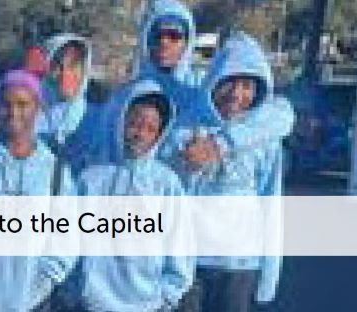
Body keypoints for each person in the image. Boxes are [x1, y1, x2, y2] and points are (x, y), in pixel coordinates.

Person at [165, 32, 287, 312]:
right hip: (190, 262)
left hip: (240, 266)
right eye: (229, 83)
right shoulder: (185, 130)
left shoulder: (265, 139)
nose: (236, 94)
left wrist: (269, 271)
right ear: (213, 82)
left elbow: (272, 205)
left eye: (246, 85)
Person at [0, 70, 77, 311]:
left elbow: (66, 236)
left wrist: (42, 285)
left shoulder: (55, 171)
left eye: (23, 104)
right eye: (6, 104)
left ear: (38, 108)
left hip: (33, 302)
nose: (14, 113)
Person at [134, 0, 294, 173]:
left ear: (188, 40)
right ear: (145, 38)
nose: (164, 43)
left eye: (174, 35)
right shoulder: (129, 96)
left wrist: (220, 144)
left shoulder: (202, 86)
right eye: (157, 35)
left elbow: (281, 114)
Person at [76, 79, 193, 312]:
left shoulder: (166, 184)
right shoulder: (91, 179)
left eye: (151, 129)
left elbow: (179, 247)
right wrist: (76, 289)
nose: (141, 134)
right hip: (91, 303)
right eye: (135, 124)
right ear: (119, 120)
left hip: (146, 304)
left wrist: (167, 296)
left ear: (160, 134)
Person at [40, 34, 111, 184]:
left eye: (73, 66)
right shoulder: (28, 120)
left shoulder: (101, 120)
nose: (65, 75)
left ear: (84, 69)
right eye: (57, 66)